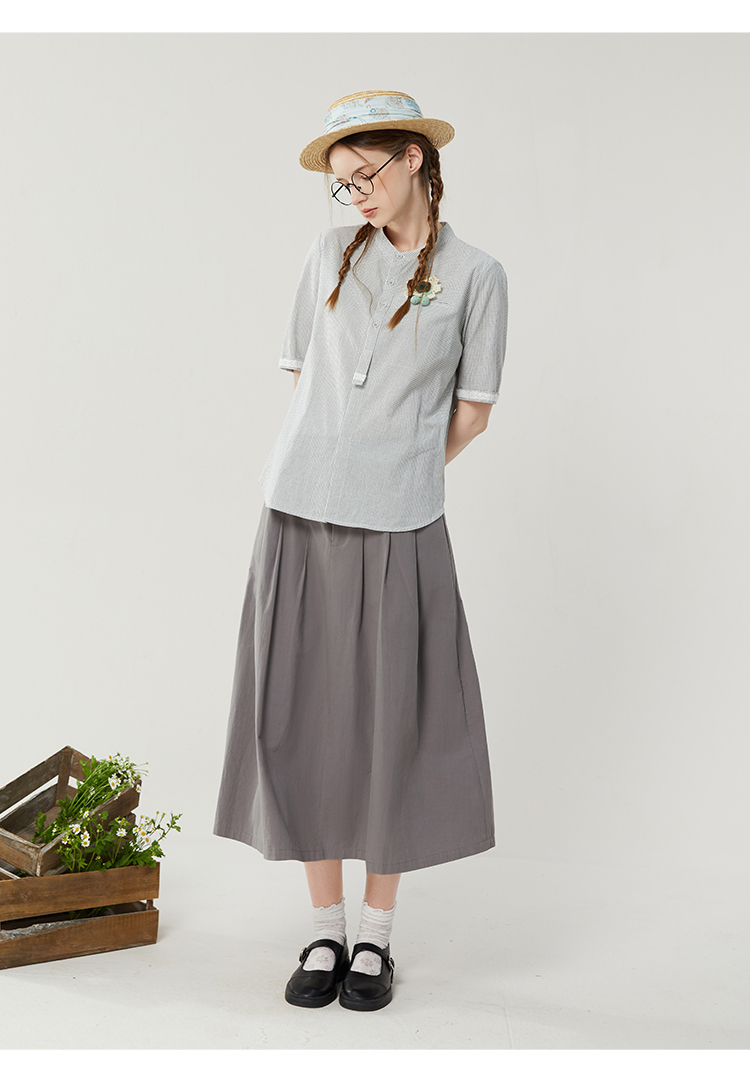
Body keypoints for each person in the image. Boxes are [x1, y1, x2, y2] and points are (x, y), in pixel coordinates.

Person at [214, 90, 509, 1012]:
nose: (357, 197)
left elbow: (473, 411)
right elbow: (307, 378)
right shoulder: (327, 254)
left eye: (366, 175)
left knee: (392, 721)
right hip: (297, 513)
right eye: (343, 186)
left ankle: (375, 937)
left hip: (403, 523)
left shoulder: (478, 275)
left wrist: (403, 468)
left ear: (414, 158)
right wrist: (341, 463)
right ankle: (324, 927)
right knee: (303, 711)